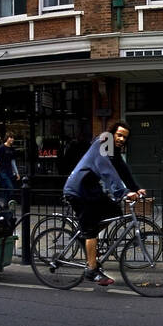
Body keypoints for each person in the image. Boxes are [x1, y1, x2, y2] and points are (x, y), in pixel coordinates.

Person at [62, 119, 138, 287]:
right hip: (78, 190)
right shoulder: (104, 141)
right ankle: (91, 270)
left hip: (92, 189)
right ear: (112, 133)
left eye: (125, 137)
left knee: (114, 210)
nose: (122, 139)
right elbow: (106, 169)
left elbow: (121, 168)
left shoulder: (112, 149)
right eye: (119, 135)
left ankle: (87, 234)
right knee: (90, 230)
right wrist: (122, 192)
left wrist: (135, 188)